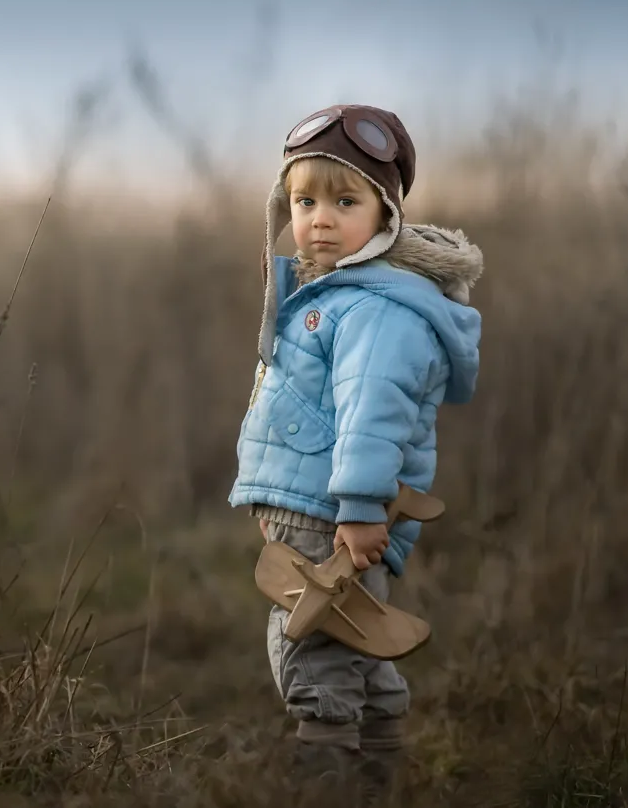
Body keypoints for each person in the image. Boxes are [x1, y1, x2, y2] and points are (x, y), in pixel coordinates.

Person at [228, 104, 484, 797]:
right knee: (357, 645)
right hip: (316, 505)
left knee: (312, 651)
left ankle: (331, 785)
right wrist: (277, 496)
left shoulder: (376, 308)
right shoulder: (336, 296)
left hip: (339, 510)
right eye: (305, 201)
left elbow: (374, 415)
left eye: (346, 201)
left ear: (387, 216)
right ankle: (378, 778)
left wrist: (359, 506)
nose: (320, 218)